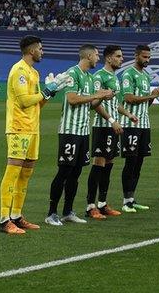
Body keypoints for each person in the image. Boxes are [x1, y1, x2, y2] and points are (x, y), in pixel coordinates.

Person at [0, 36, 69, 234]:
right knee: (13, 172)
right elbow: (23, 101)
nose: (42, 52)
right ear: (31, 51)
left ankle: (17, 216)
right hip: (18, 128)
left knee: (26, 173)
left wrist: (51, 92)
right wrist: (48, 90)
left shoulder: (34, 72)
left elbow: (38, 103)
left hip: (33, 128)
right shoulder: (19, 70)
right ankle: (4, 220)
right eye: (40, 48)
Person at [46, 45, 115, 226]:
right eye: (97, 55)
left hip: (83, 132)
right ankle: (51, 213)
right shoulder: (73, 73)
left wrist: (102, 97)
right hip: (70, 131)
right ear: (89, 55)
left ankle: (68, 211)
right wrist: (96, 94)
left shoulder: (90, 78)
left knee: (76, 173)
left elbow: (91, 104)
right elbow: (72, 99)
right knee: (64, 171)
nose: (98, 58)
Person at [85, 45, 139, 220]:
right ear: (108, 58)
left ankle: (102, 203)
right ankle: (90, 206)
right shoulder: (99, 76)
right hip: (103, 125)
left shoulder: (115, 78)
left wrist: (128, 114)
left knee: (108, 164)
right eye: (118, 56)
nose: (121, 59)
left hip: (113, 126)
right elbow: (95, 102)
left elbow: (115, 104)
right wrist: (111, 120)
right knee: (99, 163)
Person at [120, 45, 159, 213]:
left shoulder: (146, 75)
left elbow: (147, 102)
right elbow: (128, 98)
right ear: (136, 56)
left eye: (148, 57)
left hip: (144, 125)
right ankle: (125, 201)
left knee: (139, 163)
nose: (147, 60)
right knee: (130, 162)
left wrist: (153, 95)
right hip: (131, 125)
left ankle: (132, 199)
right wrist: (151, 95)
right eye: (144, 57)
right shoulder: (128, 74)